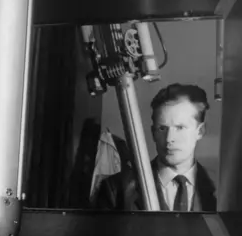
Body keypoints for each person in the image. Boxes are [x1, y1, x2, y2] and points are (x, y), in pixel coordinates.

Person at [93, 83, 216, 211]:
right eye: (162, 128)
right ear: (153, 132)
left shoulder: (222, 190)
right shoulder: (116, 189)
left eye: (180, 128)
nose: (169, 139)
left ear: (200, 131)